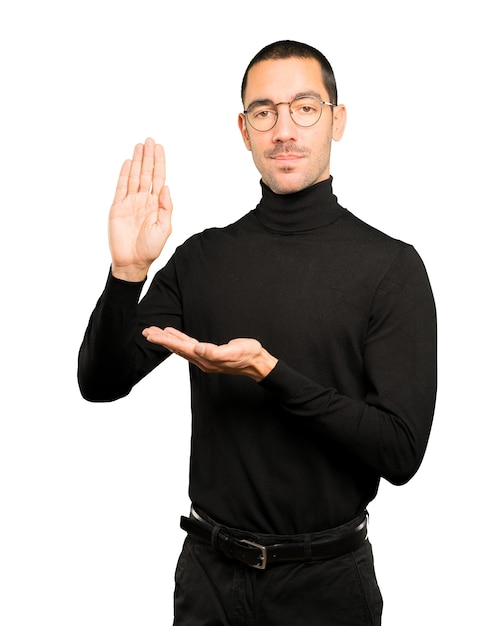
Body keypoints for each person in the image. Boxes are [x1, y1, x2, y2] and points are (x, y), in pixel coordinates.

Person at [78, 40, 437, 625]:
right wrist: (127, 274)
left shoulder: (389, 268)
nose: (284, 130)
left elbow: (399, 452)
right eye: (264, 112)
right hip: (209, 581)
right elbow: (101, 382)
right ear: (244, 131)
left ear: (337, 121)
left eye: (305, 107)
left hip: (325, 585)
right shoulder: (203, 258)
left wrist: (271, 374)